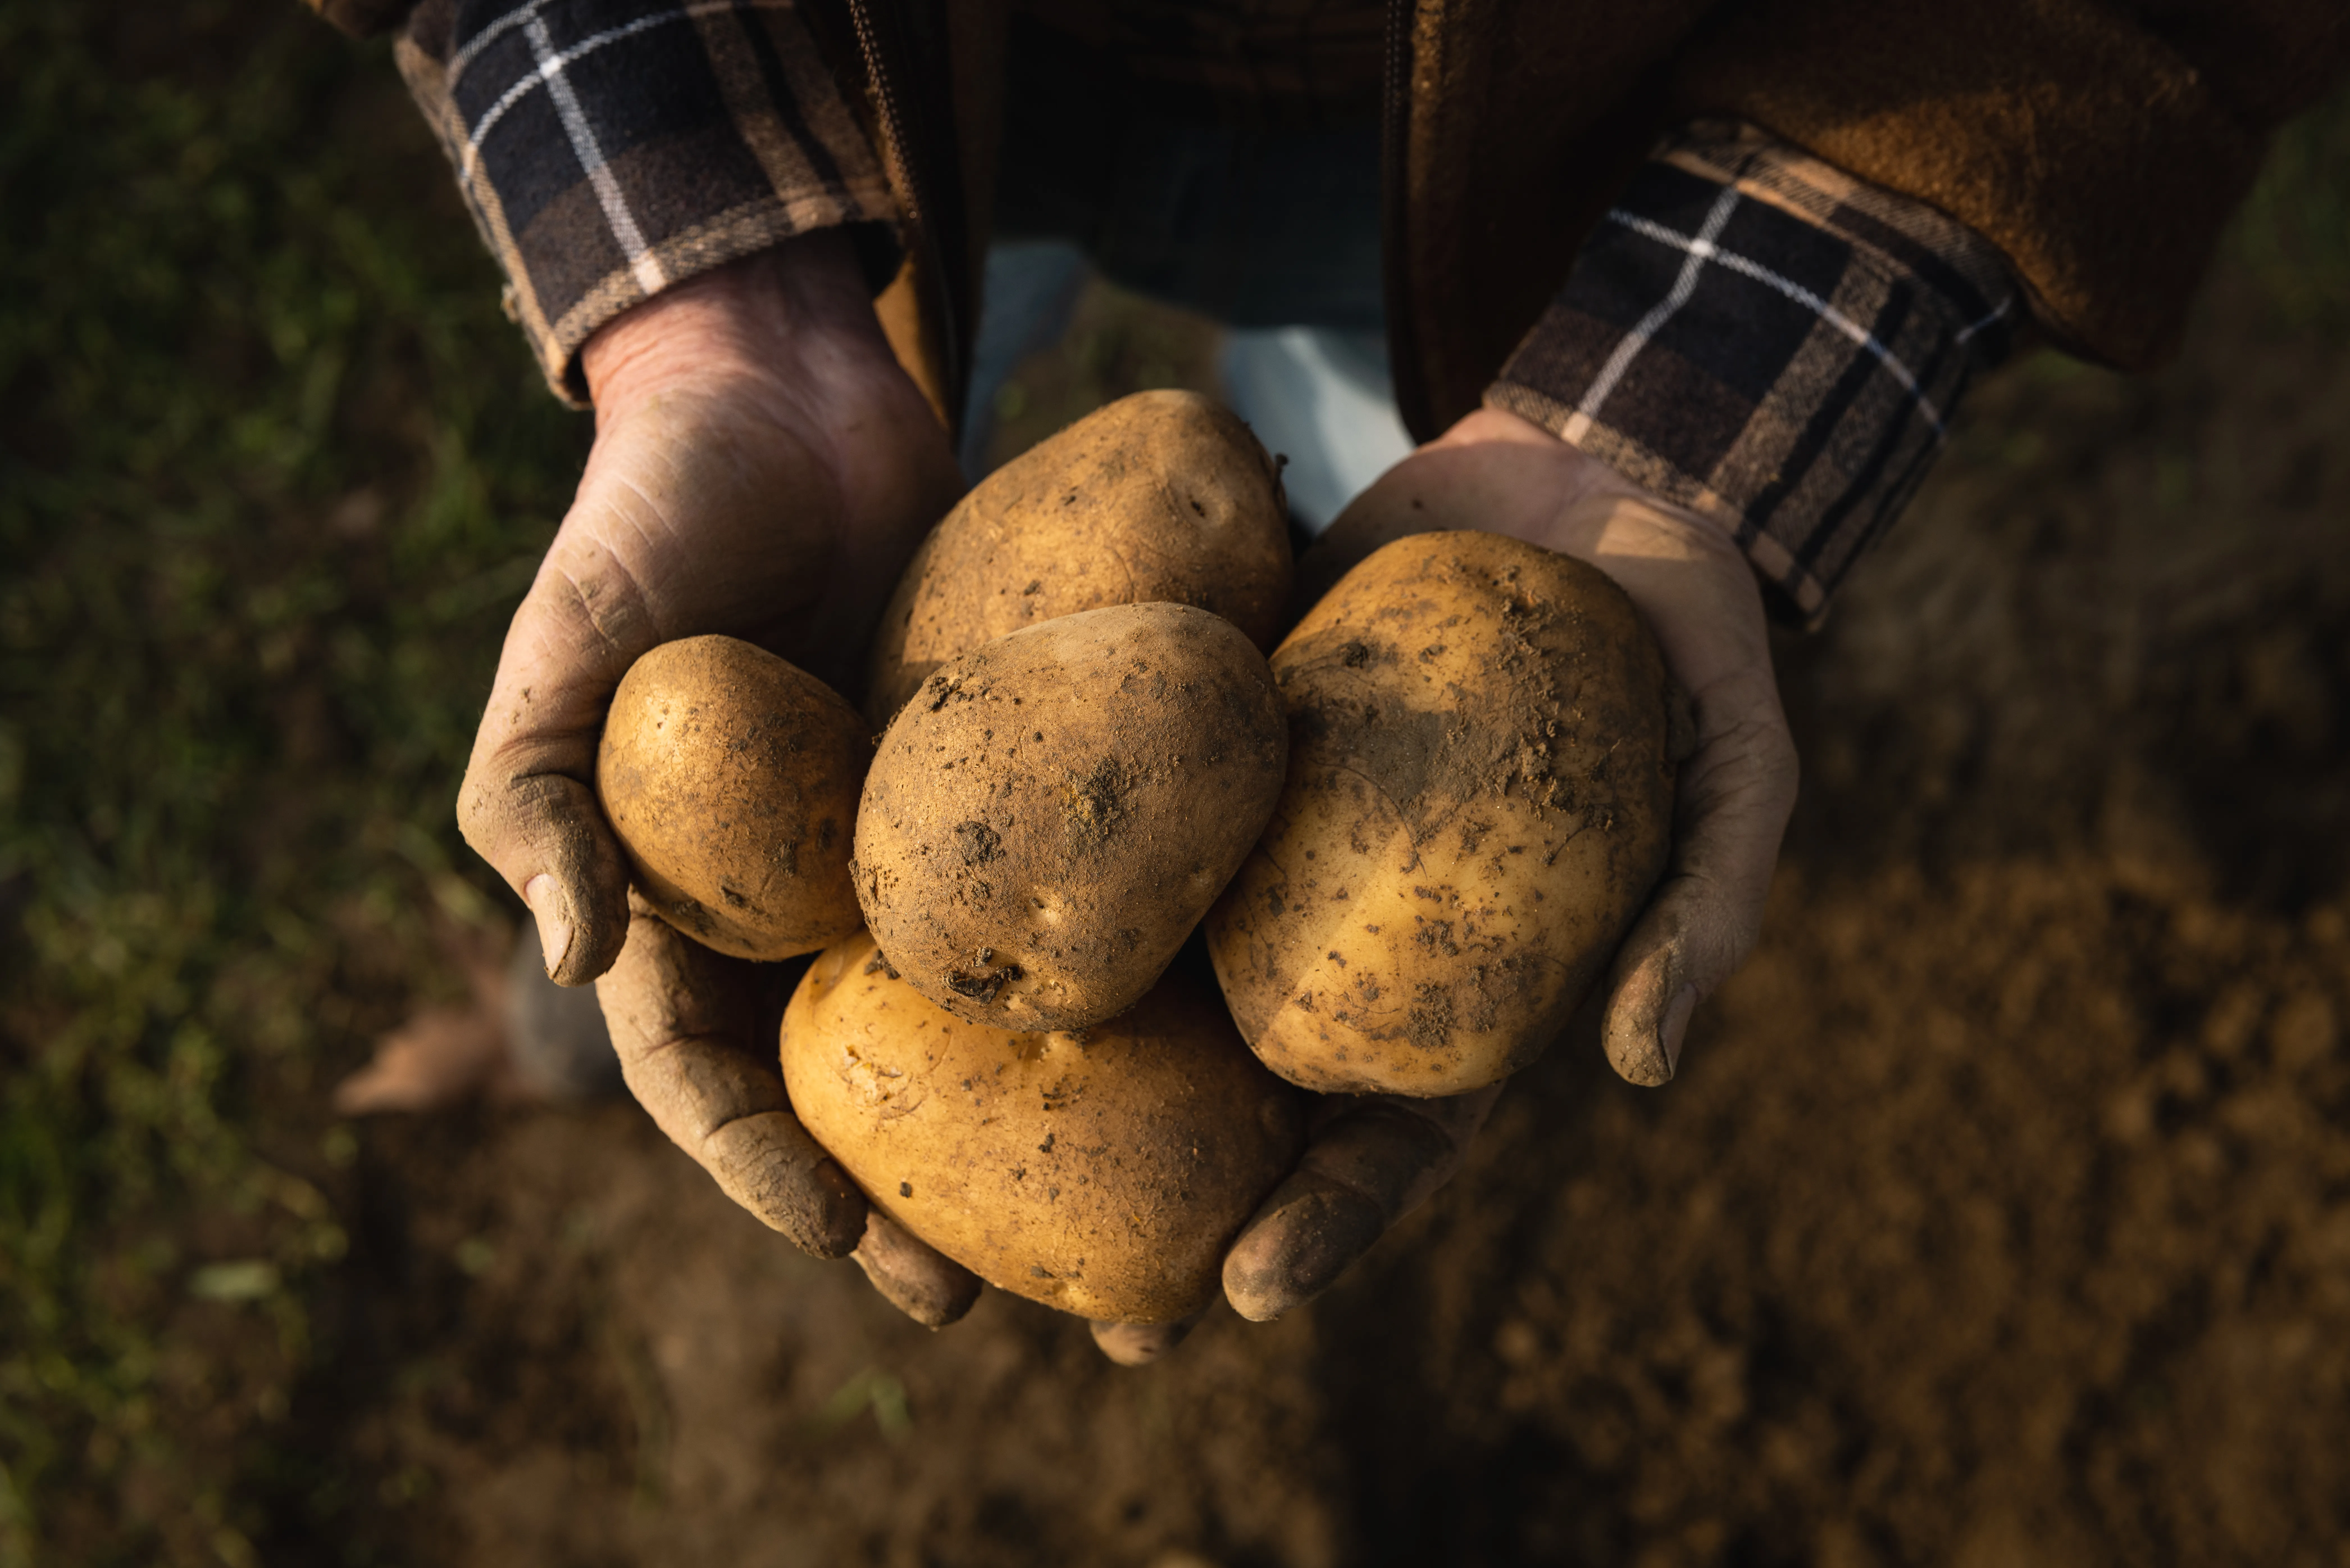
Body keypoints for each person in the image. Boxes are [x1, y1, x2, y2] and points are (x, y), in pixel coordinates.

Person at [308, 0, 2349, 1361]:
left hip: (1580, 158)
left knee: (1353, 488)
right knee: (691, 745)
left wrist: (1667, 435)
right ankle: (560, 1022)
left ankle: (567, 1008)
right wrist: (707, 304)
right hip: (856, 73)